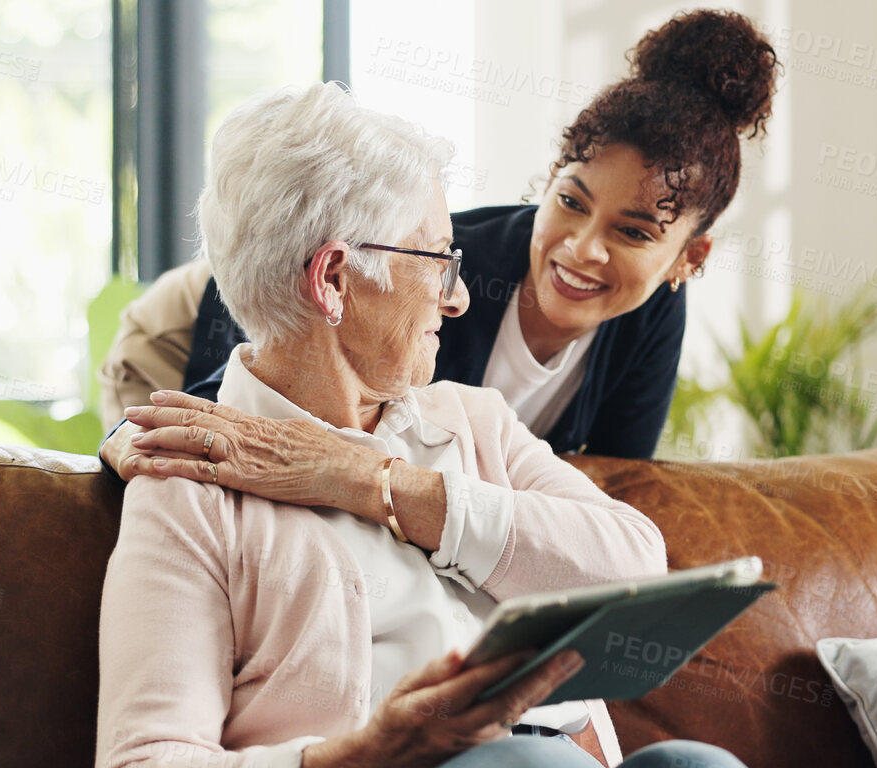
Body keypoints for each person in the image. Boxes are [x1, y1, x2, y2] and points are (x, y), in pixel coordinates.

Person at [92, 80, 863, 768]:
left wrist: (381, 484)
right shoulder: (189, 487)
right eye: (435, 258)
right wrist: (358, 765)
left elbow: (632, 559)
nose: (457, 297)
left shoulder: (471, 426)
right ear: (334, 278)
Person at [99, 8, 778, 472]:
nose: (581, 247)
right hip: (219, 308)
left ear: (687, 259)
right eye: (570, 202)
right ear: (547, 182)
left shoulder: (651, 314)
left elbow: (609, 485)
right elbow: (244, 391)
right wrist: (128, 437)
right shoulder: (448, 270)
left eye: (632, 232)